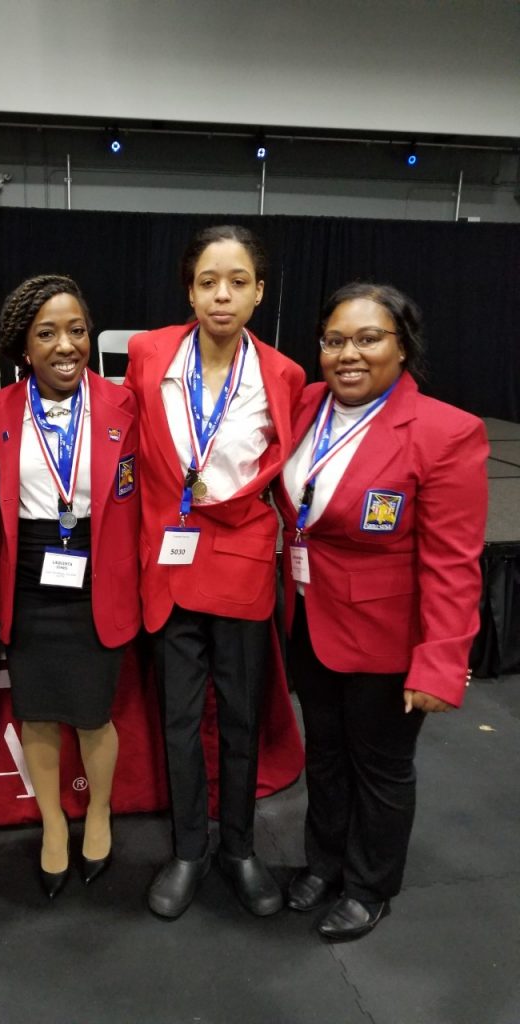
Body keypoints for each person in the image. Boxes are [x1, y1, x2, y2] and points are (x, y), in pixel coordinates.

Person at [274, 282, 488, 941]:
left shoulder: (446, 432)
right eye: (335, 340)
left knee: (381, 766)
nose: (348, 354)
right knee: (327, 755)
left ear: (403, 347)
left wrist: (441, 662)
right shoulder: (305, 405)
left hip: (385, 638)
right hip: (306, 621)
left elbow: (453, 561)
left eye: (368, 339)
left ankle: (370, 886)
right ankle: (325, 863)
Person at [125, 224, 305, 919]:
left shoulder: (284, 375)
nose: (221, 295)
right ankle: (188, 849)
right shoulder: (147, 354)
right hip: (169, 559)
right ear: (189, 289)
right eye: (207, 281)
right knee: (177, 719)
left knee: (239, 718)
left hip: (241, 563)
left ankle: (239, 847)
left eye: (237, 282)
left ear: (259, 292)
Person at [0, 274, 140, 899]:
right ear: (24, 347)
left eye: (77, 330)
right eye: (46, 333)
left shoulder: (126, 406)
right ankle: (54, 823)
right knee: (38, 714)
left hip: (97, 572)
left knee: (92, 713)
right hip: (26, 576)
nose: (65, 345)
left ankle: (98, 813)